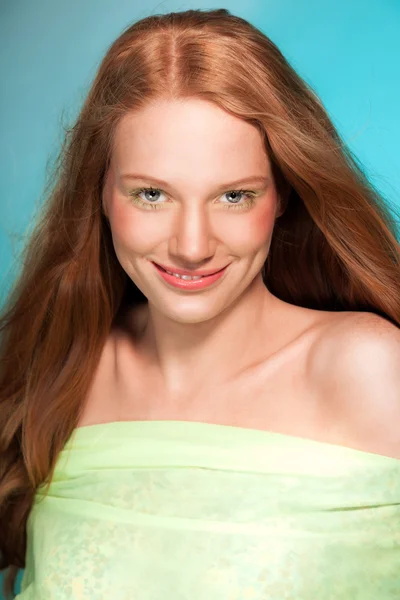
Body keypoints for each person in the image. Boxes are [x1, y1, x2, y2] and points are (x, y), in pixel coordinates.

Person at [1, 7, 400, 599]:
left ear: (284, 193)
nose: (192, 247)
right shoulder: (61, 372)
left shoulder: (369, 372)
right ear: (102, 193)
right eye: (153, 194)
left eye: (234, 196)